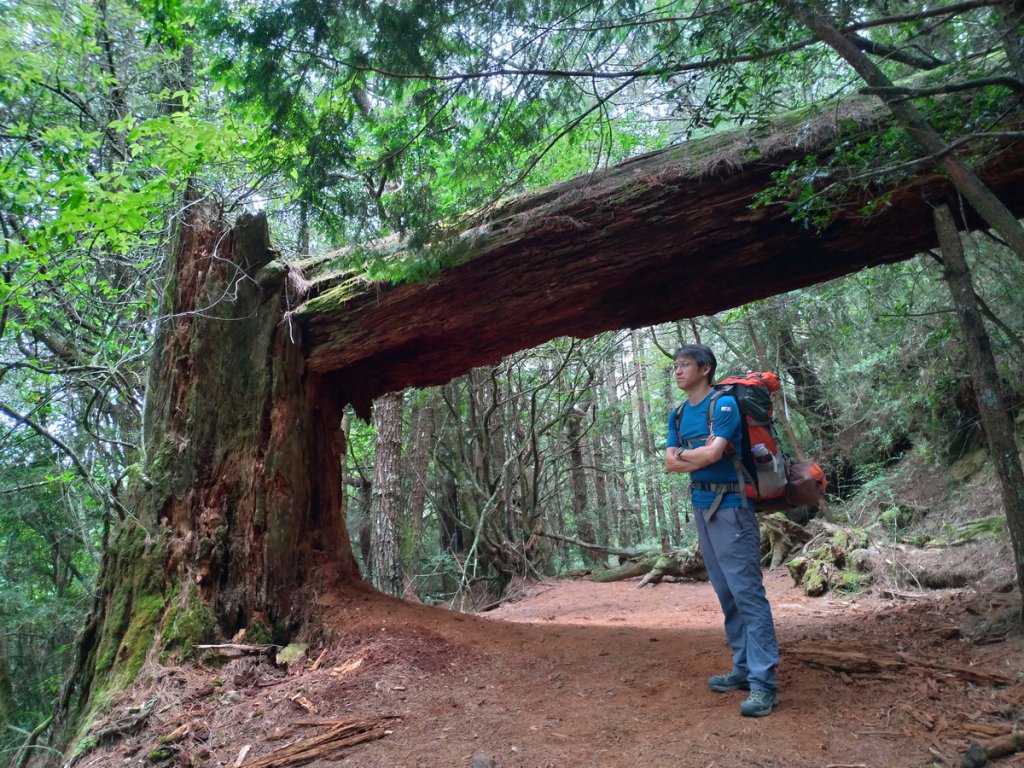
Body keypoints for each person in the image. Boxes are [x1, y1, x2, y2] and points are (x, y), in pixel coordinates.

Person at [665, 343, 780, 717]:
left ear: (705, 369)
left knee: (747, 593)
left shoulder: (723, 406)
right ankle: (743, 669)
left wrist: (686, 457)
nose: (678, 371)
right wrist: (688, 458)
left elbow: (713, 455)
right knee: (726, 592)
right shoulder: (679, 414)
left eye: (685, 365)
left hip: (733, 508)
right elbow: (669, 463)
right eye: (676, 366)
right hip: (702, 508)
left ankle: (764, 684)